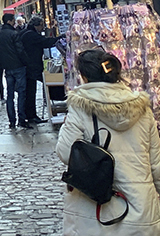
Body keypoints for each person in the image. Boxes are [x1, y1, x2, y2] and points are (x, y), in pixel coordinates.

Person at [56, 49, 160, 234]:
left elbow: (66, 153)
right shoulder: (143, 111)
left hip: (94, 210)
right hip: (140, 208)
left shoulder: (80, 108)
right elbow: (156, 165)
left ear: (84, 77)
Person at [0, 12, 29, 129]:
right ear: (9, 21)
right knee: (22, 93)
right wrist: (27, 62)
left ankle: (12, 121)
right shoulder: (14, 34)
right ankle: (22, 119)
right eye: (13, 20)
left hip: (7, 68)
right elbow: (20, 50)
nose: (14, 22)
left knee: (10, 95)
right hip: (18, 66)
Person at [20, 15, 60, 124]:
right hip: (31, 66)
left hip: (27, 66)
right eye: (42, 25)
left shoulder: (24, 33)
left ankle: (28, 115)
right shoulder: (31, 35)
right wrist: (59, 38)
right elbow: (45, 42)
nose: (43, 28)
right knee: (30, 92)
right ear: (36, 25)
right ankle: (31, 115)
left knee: (28, 92)